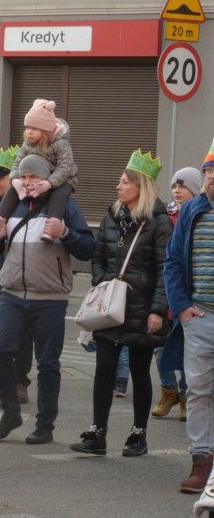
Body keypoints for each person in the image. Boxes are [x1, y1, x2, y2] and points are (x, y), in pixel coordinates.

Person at [69, 151, 172, 458]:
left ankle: (138, 434)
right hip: (109, 307)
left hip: (142, 307)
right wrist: (102, 282)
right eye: (119, 180)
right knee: (104, 370)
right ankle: (97, 433)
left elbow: (166, 268)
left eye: (124, 182)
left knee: (140, 371)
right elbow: (98, 257)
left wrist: (157, 309)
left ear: (141, 187)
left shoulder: (159, 222)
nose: (118, 186)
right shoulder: (112, 217)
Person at [0, 153, 95, 446]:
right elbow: (1, 250)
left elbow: (88, 248)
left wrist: (66, 233)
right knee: (0, 351)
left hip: (49, 297)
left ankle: (45, 425)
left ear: (45, 179)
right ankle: (10, 413)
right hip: (12, 293)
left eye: (33, 177)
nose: (27, 182)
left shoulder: (64, 206)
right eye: (22, 177)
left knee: (48, 364)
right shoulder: (11, 206)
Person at [165, 139, 214, 492]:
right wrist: (182, 308)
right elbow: (172, 261)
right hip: (200, 315)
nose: (212, 177)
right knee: (198, 390)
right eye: (209, 171)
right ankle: (201, 460)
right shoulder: (192, 211)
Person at [154, 166, 202, 420]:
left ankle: (184, 396)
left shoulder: (201, 215)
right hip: (164, 296)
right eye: (174, 186)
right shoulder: (165, 216)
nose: (177, 190)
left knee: (187, 354)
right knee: (160, 350)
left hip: (189, 299)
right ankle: (168, 391)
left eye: (183, 186)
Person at [0, 99, 78, 243]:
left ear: (45, 130)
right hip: (38, 175)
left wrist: (50, 183)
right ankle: (1, 222)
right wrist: (14, 179)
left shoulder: (60, 143)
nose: (29, 133)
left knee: (59, 195)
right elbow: (17, 163)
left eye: (34, 129)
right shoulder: (28, 144)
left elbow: (65, 166)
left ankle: (51, 228)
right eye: (27, 128)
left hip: (64, 178)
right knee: (13, 190)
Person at [0, 147, 32, 404]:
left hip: (16, 281)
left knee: (21, 335)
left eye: (0, 178)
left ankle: (20, 380)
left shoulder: (22, 206)